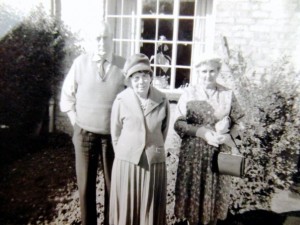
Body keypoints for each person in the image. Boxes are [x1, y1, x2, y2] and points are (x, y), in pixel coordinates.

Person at [60, 21, 125, 225]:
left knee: (112, 186)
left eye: (106, 37)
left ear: (112, 39)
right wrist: (76, 123)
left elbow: (136, 97)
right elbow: (66, 97)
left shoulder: (123, 65)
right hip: (84, 135)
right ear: (92, 40)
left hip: (113, 137)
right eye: (98, 37)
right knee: (85, 186)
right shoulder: (80, 63)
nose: (102, 42)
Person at [173, 54, 244, 225]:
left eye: (212, 71)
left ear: (218, 71)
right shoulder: (189, 94)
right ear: (197, 71)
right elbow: (178, 123)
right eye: (204, 71)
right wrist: (201, 132)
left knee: (214, 200)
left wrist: (228, 136)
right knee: (193, 199)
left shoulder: (227, 94)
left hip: (219, 154)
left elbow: (240, 122)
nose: (208, 75)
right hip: (194, 155)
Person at [109, 53, 170, 225]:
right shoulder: (121, 100)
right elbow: (115, 134)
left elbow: (163, 131)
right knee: (127, 206)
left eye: (144, 76)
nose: (141, 81)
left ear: (150, 77)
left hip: (153, 163)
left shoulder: (162, 99)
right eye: (136, 77)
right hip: (127, 163)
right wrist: (126, 154)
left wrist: (151, 149)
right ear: (129, 80)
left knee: (149, 208)